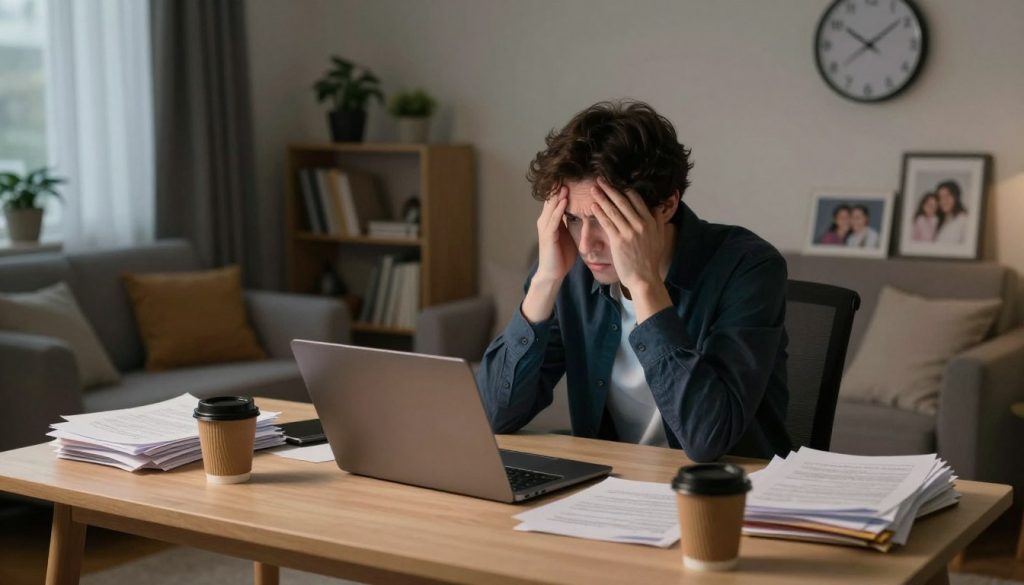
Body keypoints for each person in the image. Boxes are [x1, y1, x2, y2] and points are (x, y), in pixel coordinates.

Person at [475, 101, 791, 462]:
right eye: (574, 219)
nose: (586, 244)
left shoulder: (748, 268)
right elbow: (494, 415)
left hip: (722, 495)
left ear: (666, 205)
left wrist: (643, 285)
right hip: (615, 488)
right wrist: (545, 281)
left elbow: (708, 438)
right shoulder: (568, 268)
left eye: (607, 220)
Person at [934, 180, 968, 245]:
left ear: (956, 197)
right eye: (940, 197)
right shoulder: (940, 221)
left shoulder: (964, 220)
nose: (943, 200)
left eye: (948, 195)